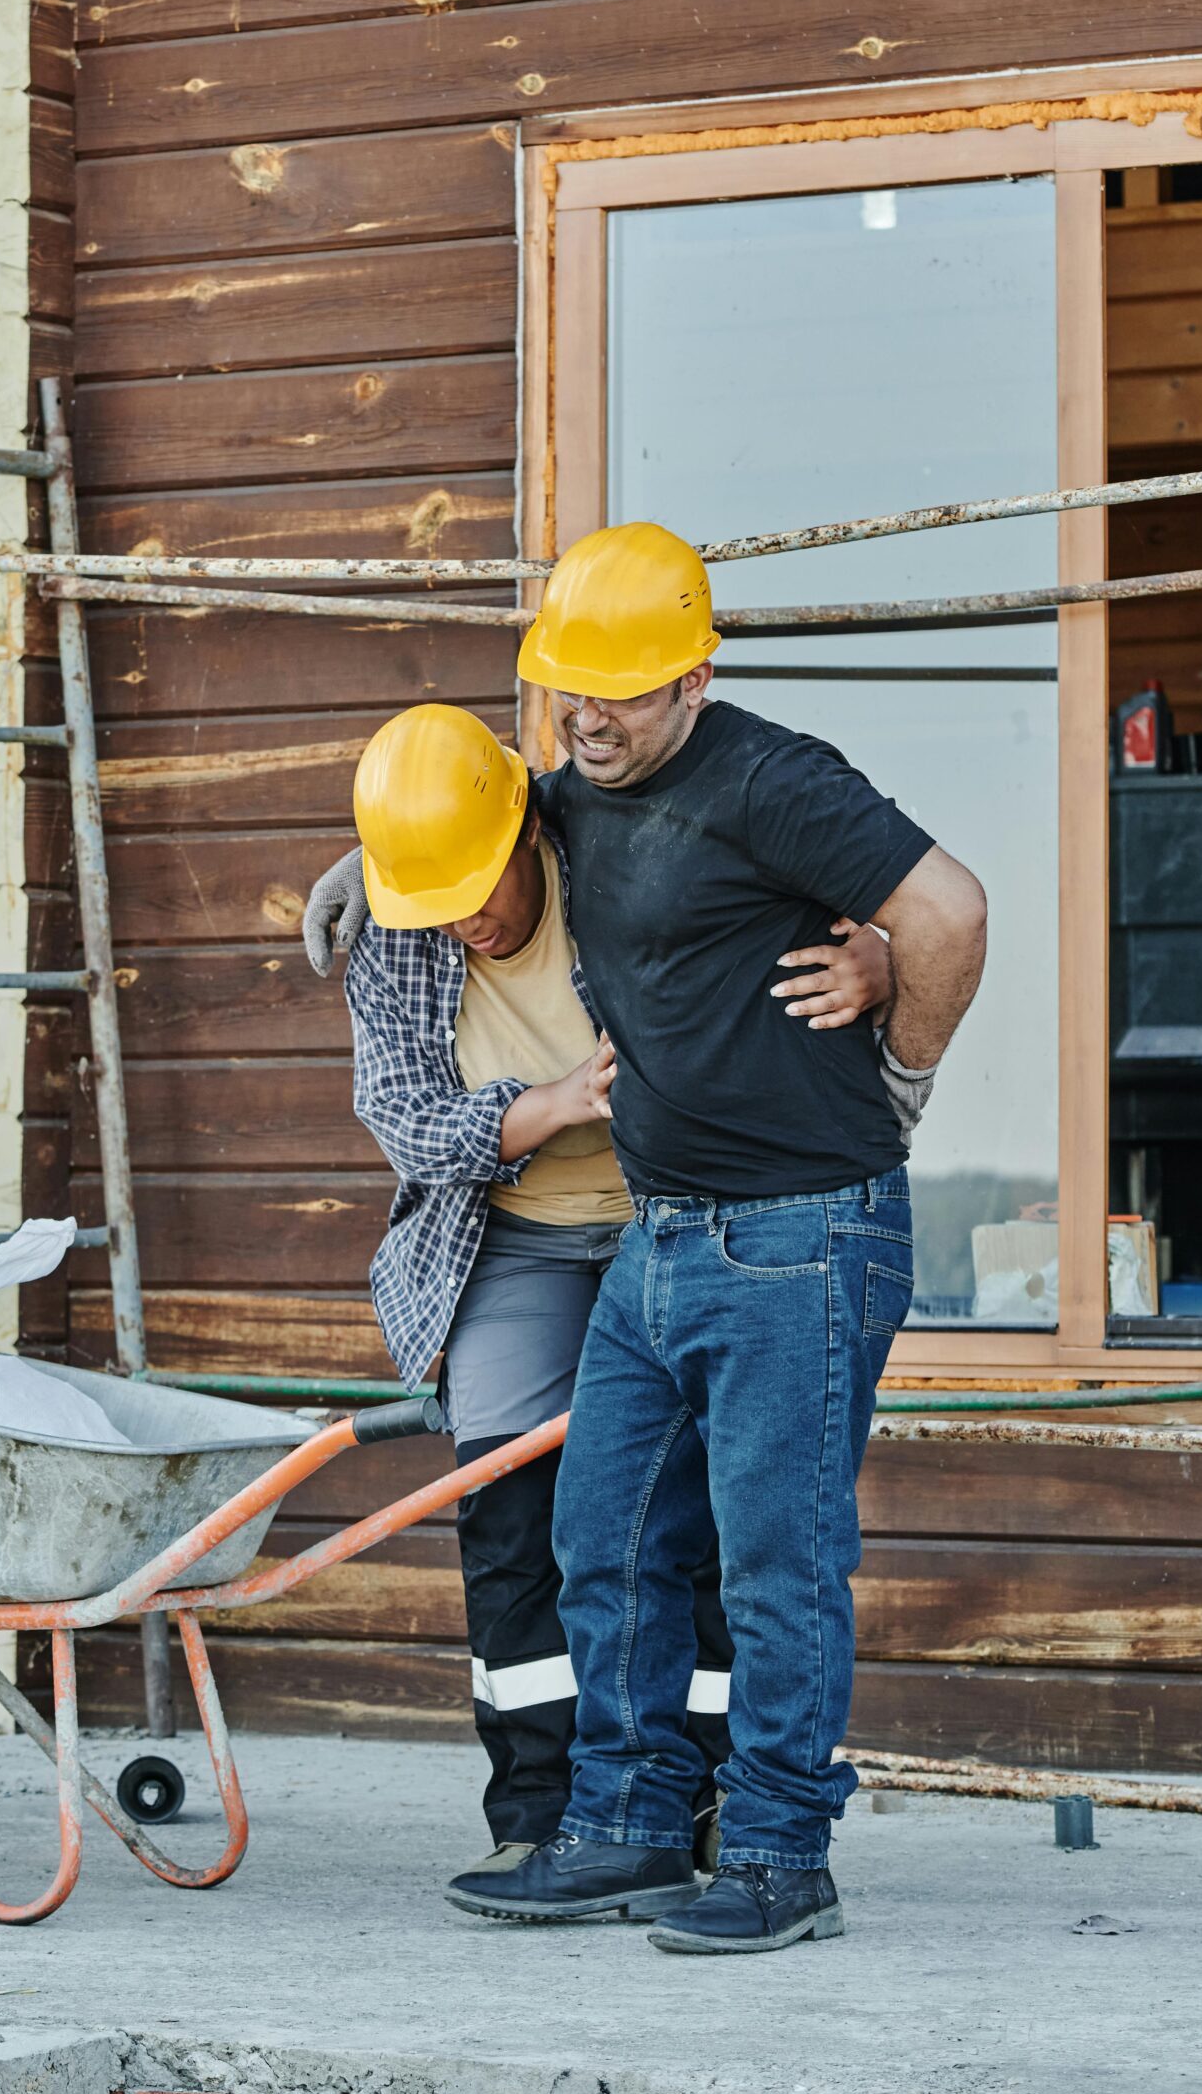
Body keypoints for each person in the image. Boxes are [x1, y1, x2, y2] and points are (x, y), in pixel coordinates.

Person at [307, 521, 986, 1955]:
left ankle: (777, 1852)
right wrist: (354, 875)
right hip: (657, 1238)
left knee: (771, 1562)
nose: (590, 719)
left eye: (620, 690)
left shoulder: (767, 777)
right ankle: (613, 1829)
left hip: (799, 1228)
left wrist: (896, 1055)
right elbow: (469, 813)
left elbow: (946, 909)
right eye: (569, 692)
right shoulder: (571, 796)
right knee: (597, 1533)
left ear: (691, 675)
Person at [340, 699, 895, 1894]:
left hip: (677, 1213)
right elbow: (402, 1119)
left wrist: (883, 953)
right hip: (514, 1231)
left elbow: (788, 888)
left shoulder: (606, 840)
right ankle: (544, 1804)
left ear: (522, 832)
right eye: (432, 901)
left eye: (477, 889)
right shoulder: (397, 922)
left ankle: (700, 1801)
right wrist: (543, 1107)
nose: (467, 922)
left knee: (688, 1517)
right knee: (517, 1515)